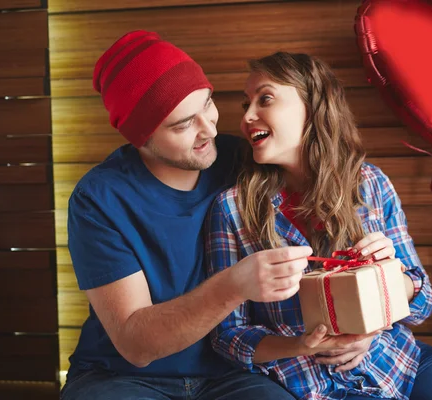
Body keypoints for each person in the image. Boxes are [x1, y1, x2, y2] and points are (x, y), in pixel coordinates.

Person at [206, 52, 432, 400]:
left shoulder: (371, 183)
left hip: (395, 361)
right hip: (309, 382)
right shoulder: (232, 209)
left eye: (265, 99)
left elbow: (422, 299)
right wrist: (299, 344)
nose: (247, 117)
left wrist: (386, 279)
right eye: (246, 104)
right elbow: (228, 336)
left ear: (313, 108)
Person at [60, 31, 314, 400]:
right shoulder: (98, 199)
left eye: (207, 105)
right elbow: (135, 344)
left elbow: (325, 176)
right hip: (120, 377)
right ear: (140, 137)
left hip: (235, 372)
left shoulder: (242, 160)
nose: (209, 129)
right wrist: (234, 284)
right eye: (183, 125)